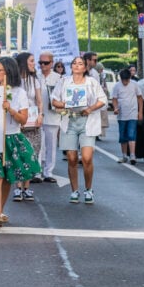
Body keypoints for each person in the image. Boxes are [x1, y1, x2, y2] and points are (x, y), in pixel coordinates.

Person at [0, 57, 41, 227]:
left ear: (8, 72)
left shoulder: (19, 92)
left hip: (11, 137)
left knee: (6, 178)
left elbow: (23, 119)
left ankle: (0, 210)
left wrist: (10, 109)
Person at [51, 56, 107, 205]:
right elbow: (53, 100)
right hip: (69, 121)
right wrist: (64, 103)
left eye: (80, 63)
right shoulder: (64, 82)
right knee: (71, 158)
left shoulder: (92, 83)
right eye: (74, 63)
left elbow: (103, 99)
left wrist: (90, 109)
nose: (76, 66)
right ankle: (74, 190)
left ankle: (88, 190)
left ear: (85, 68)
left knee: (87, 158)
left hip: (87, 121)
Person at [13, 52, 43, 202]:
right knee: (19, 154)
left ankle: (27, 187)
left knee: (32, 154)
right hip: (18, 122)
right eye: (31, 61)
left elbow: (39, 100)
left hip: (33, 123)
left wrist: (41, 115)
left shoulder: (34, 80)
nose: (34, 64)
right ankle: (18, 187)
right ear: (24, 62)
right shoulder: (15, 81)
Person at [37, 51, 61, 183]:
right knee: (38, 145)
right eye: (40, 62)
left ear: (51, 63)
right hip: (37, 117)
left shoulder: (59, 78)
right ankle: (36, 172)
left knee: (51, 146)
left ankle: (48, 172)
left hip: (53, 116)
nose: (42, 65)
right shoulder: (35, 76)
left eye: (45, 63)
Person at [112, 68, 143, 164]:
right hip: (121, 115)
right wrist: (115, 108)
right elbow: (114, 99)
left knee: (131, 134)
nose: (125, 82)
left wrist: (140, 112)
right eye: (124, 80)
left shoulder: (135, 84)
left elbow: (140, 98)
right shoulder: (117, 86)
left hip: (132, 113)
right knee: (123, 136)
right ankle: (124, 155)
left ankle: (132, 155)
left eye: (127, 80)